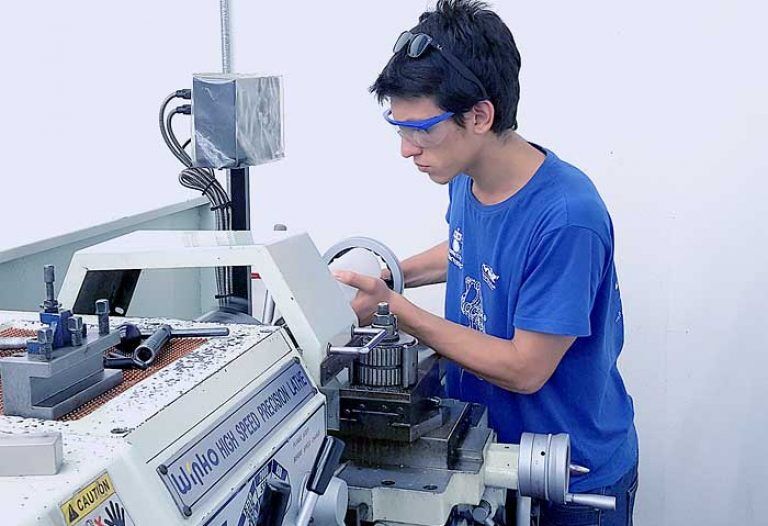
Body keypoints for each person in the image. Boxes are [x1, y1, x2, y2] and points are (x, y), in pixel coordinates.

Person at [333, 1, 638, 524]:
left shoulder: (567, 218)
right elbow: (465, 253)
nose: (406, 149)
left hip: (568, 477)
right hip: (487, 454)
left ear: (479, 115)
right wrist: (388, 278)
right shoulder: (466, 178)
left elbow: (525, 369)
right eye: (397, 128)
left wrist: (396, 310)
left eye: (420, 130)